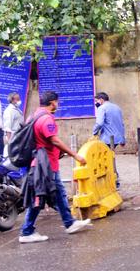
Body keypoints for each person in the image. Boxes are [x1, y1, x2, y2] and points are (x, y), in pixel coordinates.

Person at [19, 91, 90, 243]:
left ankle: (69, 223)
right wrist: (75, 155)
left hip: (42, 163)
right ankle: (26, 231)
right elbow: (55, 141)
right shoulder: (46, 119)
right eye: (57, 102)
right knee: (40, 196)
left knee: (58, 193)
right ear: (53, 103)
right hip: (46, 165)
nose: (57, 105)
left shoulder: (33, 115)